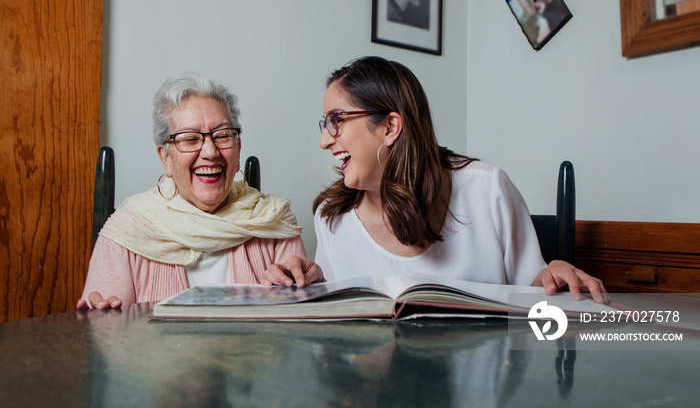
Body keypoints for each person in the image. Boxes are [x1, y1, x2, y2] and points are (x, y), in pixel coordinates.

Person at [313, 56, 607, 303]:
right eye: (326, 124)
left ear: (390, 126)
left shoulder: (487, 189)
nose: (325, 141)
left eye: (336, 121)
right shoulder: (330, 216)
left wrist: (551, 275)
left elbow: (532, 288)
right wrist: (302, 280)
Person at [77, 72, 322, 310]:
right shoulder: (127, 230)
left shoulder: (273, 220)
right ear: (166, 159)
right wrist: (100, 322)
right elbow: (106, 339)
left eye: (223, 135)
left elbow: (300, 327)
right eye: (190, 139)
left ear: (238, 149)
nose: (210, 151)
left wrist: (308, 284)